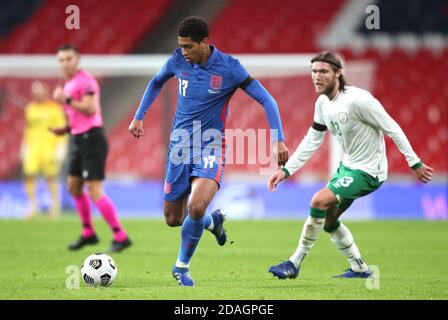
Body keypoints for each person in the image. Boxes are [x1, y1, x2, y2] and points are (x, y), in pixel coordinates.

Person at [129, 16, 289, 286]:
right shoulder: (178, 60)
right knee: (172, 218)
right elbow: (156, 81)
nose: (184, 52)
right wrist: (139, 116)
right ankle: (211, 223)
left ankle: (181, 267)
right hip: (179, 146)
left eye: (189, 46)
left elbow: (267, 99)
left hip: (211, 145)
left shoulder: (230, 68)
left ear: (205, 43)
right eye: (181, 46)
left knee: (196, 206)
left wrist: (279, 140)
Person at [267, 51, 434, 279]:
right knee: (329, 220)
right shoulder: (322, 103)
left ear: (338, 73)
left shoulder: (358, 100)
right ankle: (360, 268)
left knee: (318, 200)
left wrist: (415, 162)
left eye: (323, 71)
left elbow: (392, 128)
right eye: (314, 71)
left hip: (368, 171)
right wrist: (286, 170)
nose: (317, 76)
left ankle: (294, 263)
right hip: (347, 168)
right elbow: (313, 140)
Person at [51, 44, 132, 252]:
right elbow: (78, 116)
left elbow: (91, 108)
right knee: (73, 187)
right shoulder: (69, 84)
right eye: (60, 60)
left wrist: (66, 100)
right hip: (78, 138)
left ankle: (120, 236)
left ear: (77, 59)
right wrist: (66, 129)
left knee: (94, 190)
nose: (64, 63)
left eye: (68, 59)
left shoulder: (84, 81)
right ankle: (88, 233)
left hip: (92, 139)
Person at [21, 81, 67, 219]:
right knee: (29, 174)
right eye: (35, 91)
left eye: (39, 91)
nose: (37, 94)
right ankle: (32, 205)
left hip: (49, 147)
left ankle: (55, 205)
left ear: (45, 92)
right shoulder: (30, 109)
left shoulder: (54, 109)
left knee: (51, 177)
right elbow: (28, 128)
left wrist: (61, 146)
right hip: (33, 148)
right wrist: (24, 146)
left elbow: (62, 128)